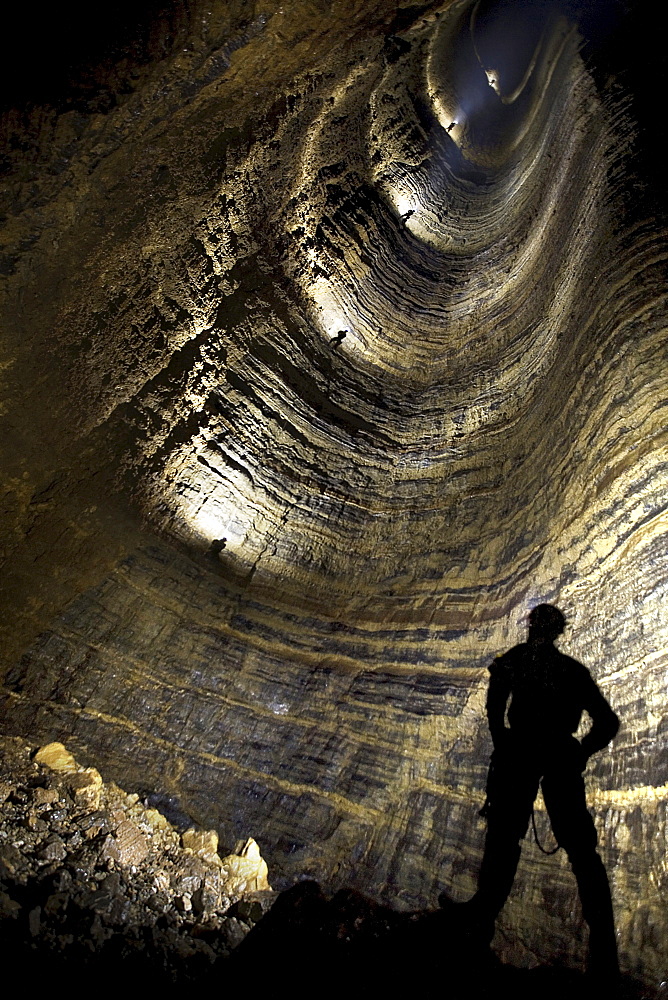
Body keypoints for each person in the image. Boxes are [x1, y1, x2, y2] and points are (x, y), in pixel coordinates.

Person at [456, 603, 620, 975]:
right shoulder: (572, 671)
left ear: (531, 626)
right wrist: (580, 750)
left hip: (523, 754)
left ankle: (479, 922)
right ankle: (604, 956)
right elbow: (607, 722)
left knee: (503, 840)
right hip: (559, 755)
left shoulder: (516, 660)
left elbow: (495, 702)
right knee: (582, 853)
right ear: (559, 631)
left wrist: (504, 741)